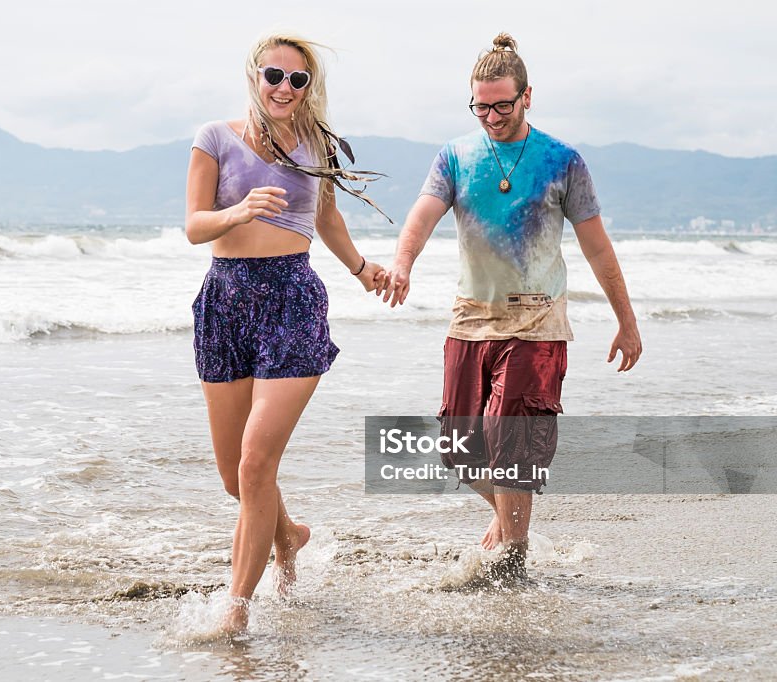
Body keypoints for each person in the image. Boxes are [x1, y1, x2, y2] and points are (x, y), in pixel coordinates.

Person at [378, 32, 642, 585]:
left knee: (512, 445)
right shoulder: (455, 154)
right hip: (471, 318)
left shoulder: (561, 160)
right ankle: (507, 523)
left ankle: (513, 562)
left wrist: (627, 319)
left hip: (538, 322)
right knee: (457, 446)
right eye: (481, 106)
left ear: (527, 97)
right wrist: (402, 264)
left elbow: (597, 247)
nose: (492, 116)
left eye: (502, 104)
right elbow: (422, 216)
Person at [185, 33, 386, 632]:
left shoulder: (315, 143)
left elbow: (326, 215)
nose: (284, 88)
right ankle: (289, 535)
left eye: (297, 80)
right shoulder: (214, 138)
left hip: (291, 302)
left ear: (308, 88)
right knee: (235, 477)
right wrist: (240, 210)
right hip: (224, 303)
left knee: (254, 464)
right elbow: (195, 226)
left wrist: (361, 268)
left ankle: (236, 610)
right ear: (255, 76)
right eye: (274, 76)